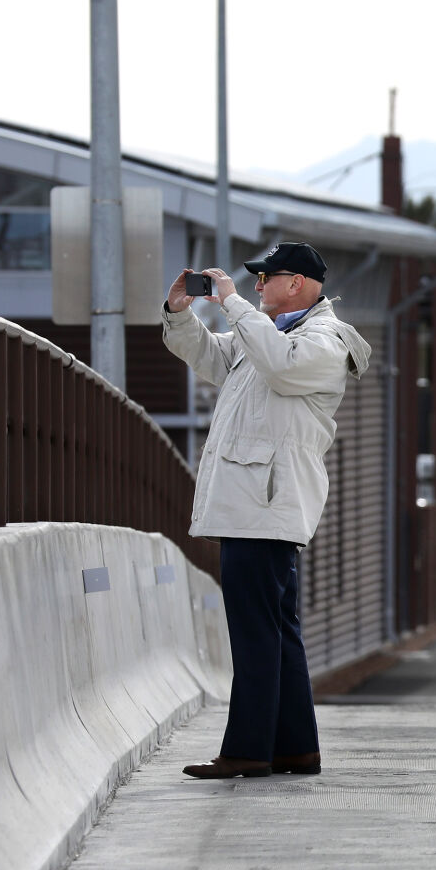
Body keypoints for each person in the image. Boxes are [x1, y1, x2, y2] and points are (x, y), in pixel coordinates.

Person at [160, 243, 372, 779]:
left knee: (255, 633)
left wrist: (233, 304)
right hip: (255, 504)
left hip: (266, 505)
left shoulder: (323, 341)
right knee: (276, 630)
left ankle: (249, 750)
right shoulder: (270, 335)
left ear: (296, 283)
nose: (254, 286)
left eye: (264, 278)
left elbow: (280, 370)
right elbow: (210, 356)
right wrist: (180, 314)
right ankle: (297, 749)